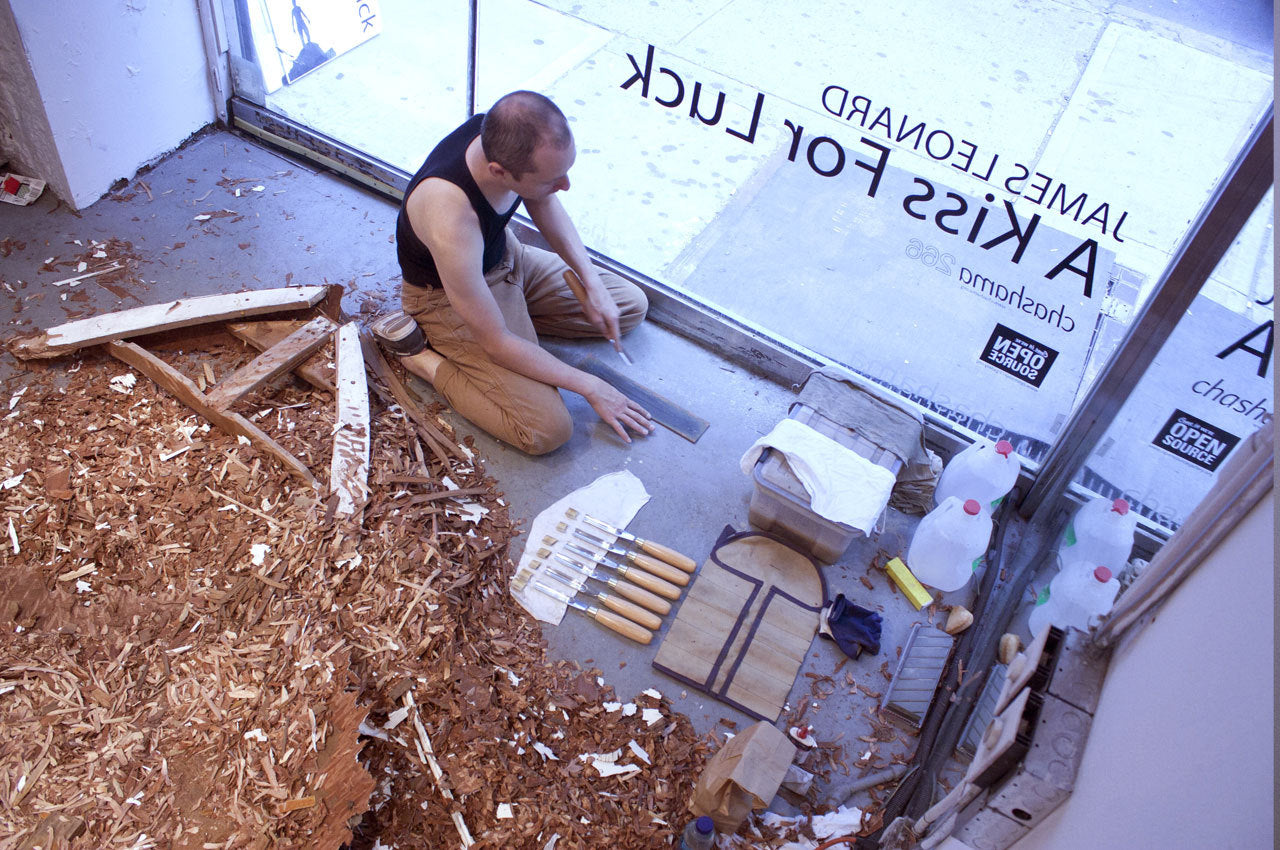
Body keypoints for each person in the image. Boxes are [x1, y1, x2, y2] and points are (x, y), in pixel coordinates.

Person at [375, 91, 653, 455]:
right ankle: (423, 359)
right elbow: (496, 342)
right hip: (444, 298)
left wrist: (592, 283)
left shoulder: (500, 134)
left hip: (506, 257)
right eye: (552, 179)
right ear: (499, 171)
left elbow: (544, 201)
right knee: (546, 430)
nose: (565, 185)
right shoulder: (451, 217)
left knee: (629, 305)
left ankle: (519, 328)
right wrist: (591, 386)